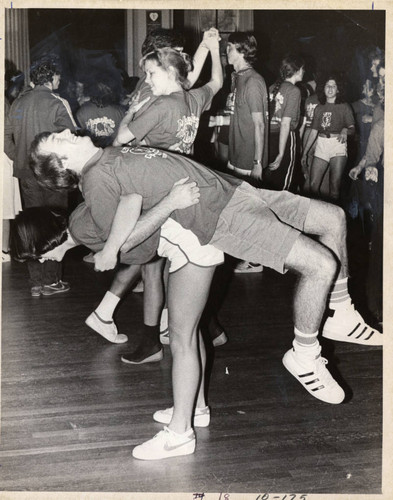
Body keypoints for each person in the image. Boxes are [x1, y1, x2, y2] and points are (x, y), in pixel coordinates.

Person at [17, 130, 382, 460]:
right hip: (215, 218)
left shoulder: (106, 160)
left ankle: (339, 311)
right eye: (59, 139)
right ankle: (300, 357)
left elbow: (129, 202)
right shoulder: (93, 182)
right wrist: (156, 215)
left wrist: (114, 247)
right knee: (315, 267)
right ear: (62, 162)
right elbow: (132, 244)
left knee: (333, 218)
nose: (67, 130)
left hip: (232, 192)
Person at [87, 29, 224, 359]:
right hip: (154, 182)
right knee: (150, 260)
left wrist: (206, 47)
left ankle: (158, 329)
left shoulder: (168, 91)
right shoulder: (154, 89)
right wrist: (210, 48)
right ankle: (161, 329)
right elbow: (191, 83)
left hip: (159, 184)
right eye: (176, 51)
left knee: (153, 261)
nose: (183, 55)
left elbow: (184, 78)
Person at [5, 57, 77, 296]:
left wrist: (21, 158)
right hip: (52, 174)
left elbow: (5, 137)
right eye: (58, 77)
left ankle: (36, 282)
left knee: (32, 225)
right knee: (55, 223)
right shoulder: (57, 102)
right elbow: (73, 138)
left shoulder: (18, 103)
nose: (60, 80)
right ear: (52, 77)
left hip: (27, 173)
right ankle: (53, 281)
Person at [211, 32, 268, 274]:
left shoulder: (253, 81)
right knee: (239, 207)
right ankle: (245, 252)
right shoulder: (237, 77)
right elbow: (238, 114)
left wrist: (257, 161)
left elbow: (259, 124)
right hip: (236, 152)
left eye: (232, 47)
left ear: (244, 51)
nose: (227, 51)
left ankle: (257, 259)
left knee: (251, 210)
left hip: (248, 156)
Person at [302, 74, 355, 203]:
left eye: (333, 86)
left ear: (338, 89)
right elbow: (313, 132)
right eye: (327, 85)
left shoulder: (344, 107)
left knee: (334, 187)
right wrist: (305, 153)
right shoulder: (319, 108)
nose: (330, 88)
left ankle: (332, 218)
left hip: (337, 145)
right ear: (323, 88)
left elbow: (352, 129)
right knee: (313, 185)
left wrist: (344, 130)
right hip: (321, 144)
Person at [265, 55, 305, 193]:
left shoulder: (271, 88)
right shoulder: (294, 91)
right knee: (285, 184)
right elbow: (285, 124)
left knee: (270, 182)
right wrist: (282, 153)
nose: (304, 72)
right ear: (298, 70)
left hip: (268, 138)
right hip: (285, 139)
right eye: (303, 69)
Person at [76, 81, 125, 148]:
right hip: (113, 152)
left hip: (90, 153)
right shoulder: (121, 111)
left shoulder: (81, 112)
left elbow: (78, 136)